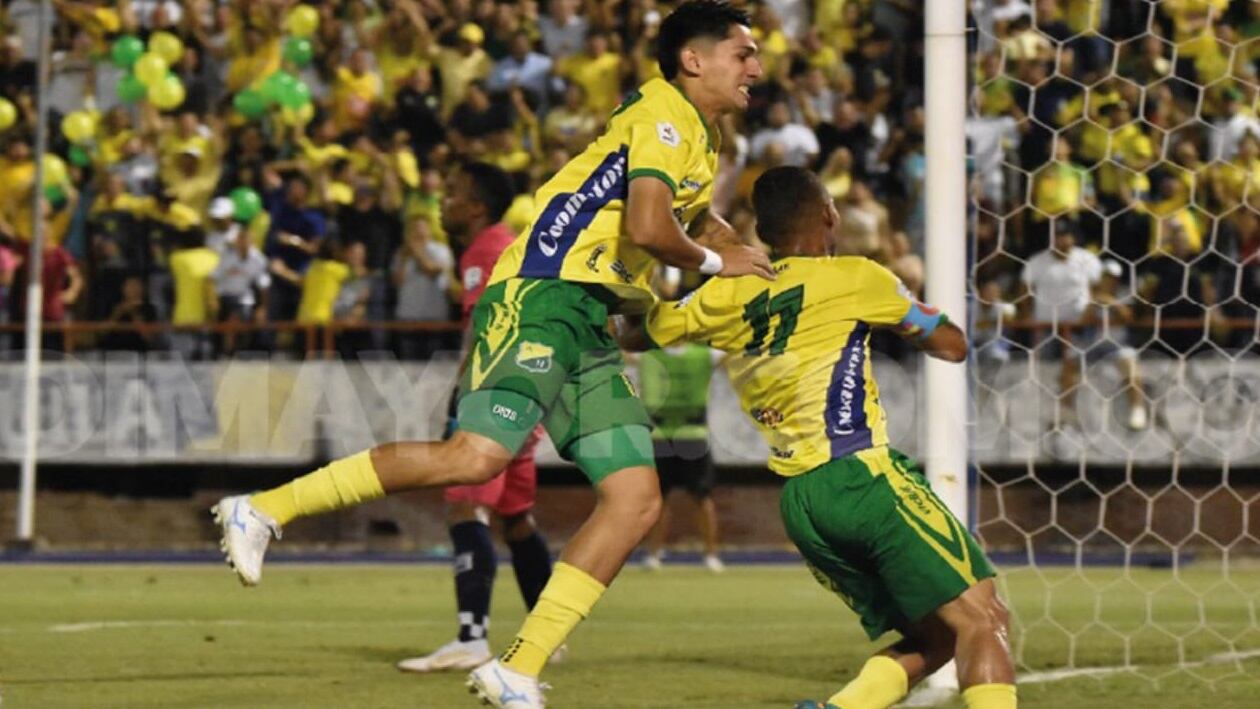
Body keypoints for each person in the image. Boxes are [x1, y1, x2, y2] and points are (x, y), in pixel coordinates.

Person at [213, 4, 770, 708]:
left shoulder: (697, 133)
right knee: (474, 458)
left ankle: (517, 668)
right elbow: (651, 225)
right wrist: (721, 264)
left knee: (634, 499)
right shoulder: (663, 115)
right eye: (743, 53)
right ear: (694, 59)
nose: (756, 68)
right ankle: (263, 509)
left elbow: (689, 215)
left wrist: (741, 249)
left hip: (588, 316)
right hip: (543, 294)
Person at [619, 166, 1016, 709]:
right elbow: (952, 344)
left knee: (938, 636)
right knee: (985, 619)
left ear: (764, 232)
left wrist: (653, 260)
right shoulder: (857, 277)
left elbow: (635, 334)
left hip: (804, 504)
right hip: (862, 477)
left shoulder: (723, 294)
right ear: (829, 214)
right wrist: (902, 305)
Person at [396, 163, 560, 674]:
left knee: (466, 507)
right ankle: (549, 635)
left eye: (452, 193)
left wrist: (463, 394)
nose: (442, 202)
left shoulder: (488, 249)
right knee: (516, 517)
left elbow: (487, 328)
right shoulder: (501, 245)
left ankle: (472, 638)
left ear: (477, 206)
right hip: (529, 389)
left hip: (497, 393)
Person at [637, 339, 725, 573]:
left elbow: (734, 354)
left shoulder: (704, 354)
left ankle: (711, 555)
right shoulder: (648, 354)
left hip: (693, 434)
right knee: (658, 498)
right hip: (659, 435)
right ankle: (653, 554)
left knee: (701, 495)